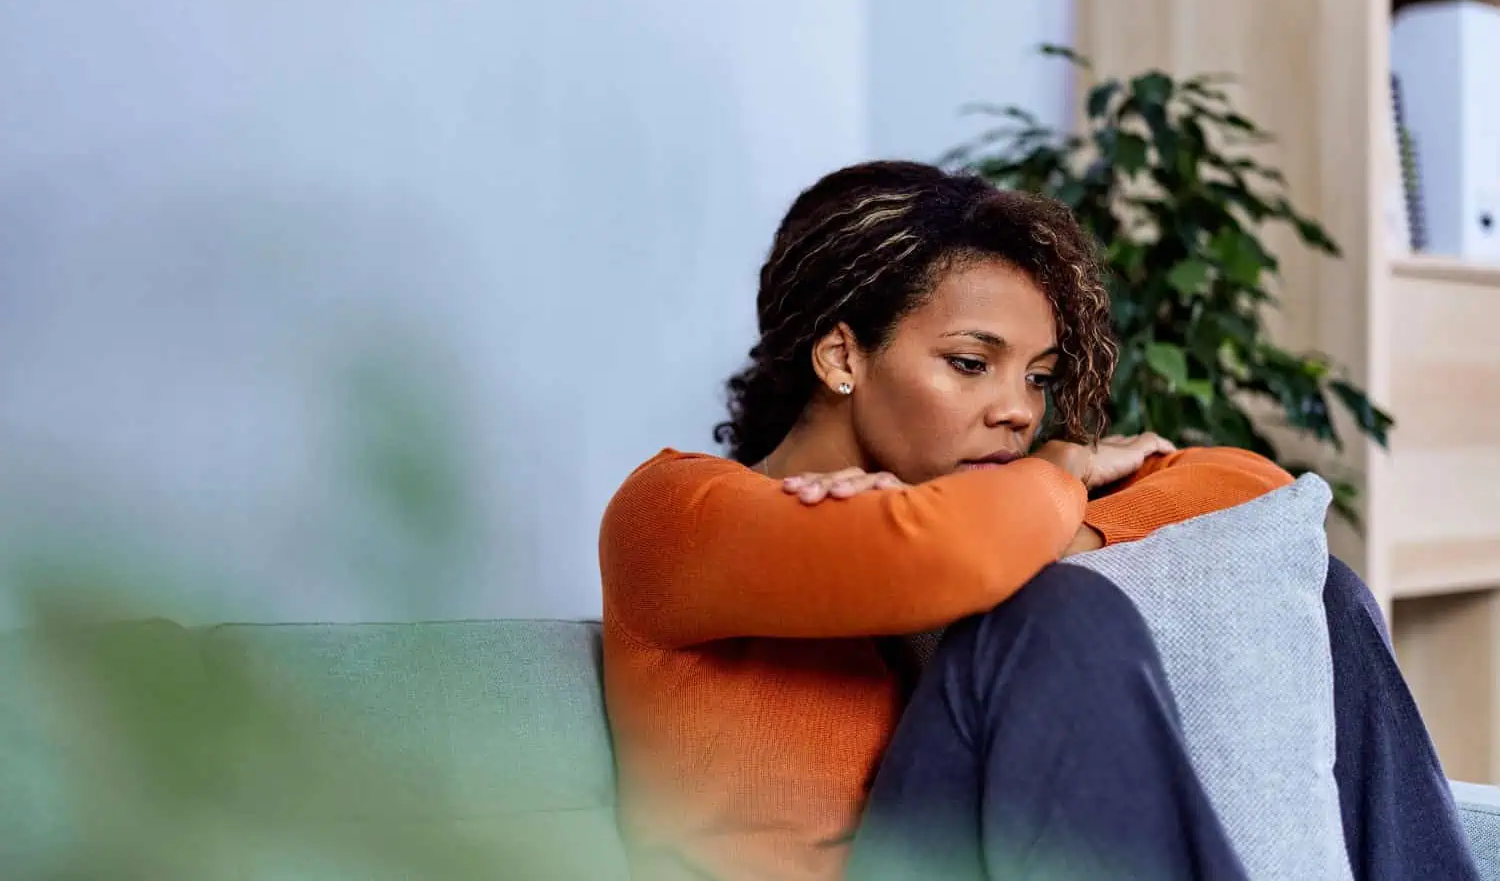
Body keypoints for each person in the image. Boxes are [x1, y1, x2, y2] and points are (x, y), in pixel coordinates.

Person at [598, 161, 1477, 880]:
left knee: (1321, 590)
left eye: (1038, 377)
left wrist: (1048, 523)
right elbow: (961, 550)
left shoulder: (991, 511)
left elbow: (1255, 487)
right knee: (1054, 615)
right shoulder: (677, 514)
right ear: (842, 356)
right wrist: (1053, 480)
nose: (1017, 410)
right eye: (972, 363)